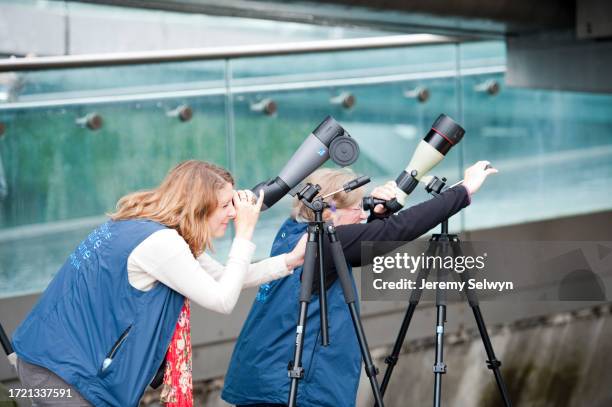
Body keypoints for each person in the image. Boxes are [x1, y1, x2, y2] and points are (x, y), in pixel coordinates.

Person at [11, 160, 306, 407]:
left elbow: (218, 279)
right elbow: (222, 300)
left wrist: (288, 261)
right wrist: (244, 235)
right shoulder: (162, 243)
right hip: (65, 374)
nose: (232, 213)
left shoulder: (147, 226)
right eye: (225, 205)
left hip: (46, 360)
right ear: (198, 205)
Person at [222, 161, 497, 407]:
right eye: (355, 209)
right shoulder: (328, 242)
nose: (360, 215)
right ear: (329, 213)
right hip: (291, 385)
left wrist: (374, 213)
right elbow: (397, 230)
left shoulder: (292, 230)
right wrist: (463, 191)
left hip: (263, 373)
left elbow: (357, 248)